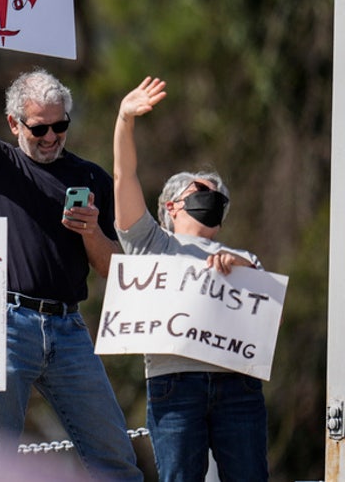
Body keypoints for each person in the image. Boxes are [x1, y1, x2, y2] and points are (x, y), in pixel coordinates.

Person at [0, 0, 142, 480]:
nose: (49, 138)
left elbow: (113, 270)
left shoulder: (90, 177)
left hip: (68, 328)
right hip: (5, 322)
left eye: (59, 127)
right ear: (13, 123)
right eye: (38, 129)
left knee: (114, 457)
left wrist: (90, 234)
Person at [114, 77, 268, 482]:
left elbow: (266, 320)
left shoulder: (245, 258)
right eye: (202, 192)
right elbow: (124, 178)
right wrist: (124, 120)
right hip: (174, 385)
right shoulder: (150, 243)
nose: (212, 198)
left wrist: (242, 269)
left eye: (219, 197)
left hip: (238, 386)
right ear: (172, 205)